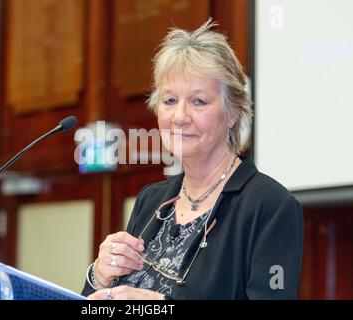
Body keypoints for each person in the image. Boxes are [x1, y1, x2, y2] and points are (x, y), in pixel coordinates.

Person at [81, 19, 303, 300]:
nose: (180, 117)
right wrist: (100, 277)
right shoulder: (151, 200)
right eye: (170, 101)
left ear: (233, 112)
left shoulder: (270, 206)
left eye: (199, 101)